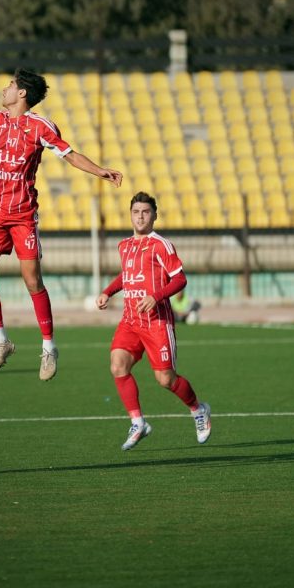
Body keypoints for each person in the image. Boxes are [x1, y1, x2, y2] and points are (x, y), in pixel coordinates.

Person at [0, 68, 123, 381]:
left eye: (10, 84)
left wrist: (99, 170)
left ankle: (49, 347)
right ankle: (1, 341)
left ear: (22, 93)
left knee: (32, 280)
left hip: (22, 214)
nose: (4, 88)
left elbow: (69, 154)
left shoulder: (40, 126)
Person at [96, 192, 211, 450]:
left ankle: (198, 409)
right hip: (130, 320)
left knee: (166, 380)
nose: (140, 216)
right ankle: (138, 422)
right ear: (131, 215)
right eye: (136, 212)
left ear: (154, 215)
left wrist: (156, 297)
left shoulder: (161, 245)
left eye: (145, 212)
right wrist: (107, 291)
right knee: (117, 365)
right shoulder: (124, 245)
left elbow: (180, 279)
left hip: (157, 322)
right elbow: (126, 275)